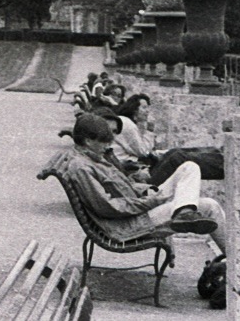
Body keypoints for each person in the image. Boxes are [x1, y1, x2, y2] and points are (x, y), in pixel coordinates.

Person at [55, 111, 228, 259]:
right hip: (130, 224)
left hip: (139, 207)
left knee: (189, 167)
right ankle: (236, 266)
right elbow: (109, 207)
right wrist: (152, 201)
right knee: (210, 207)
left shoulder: (92, 158)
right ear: (87, 141)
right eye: (103, 141)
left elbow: (124, 186)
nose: (108, 145)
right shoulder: (82, 168)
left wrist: (148, 191)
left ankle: (184, 211)